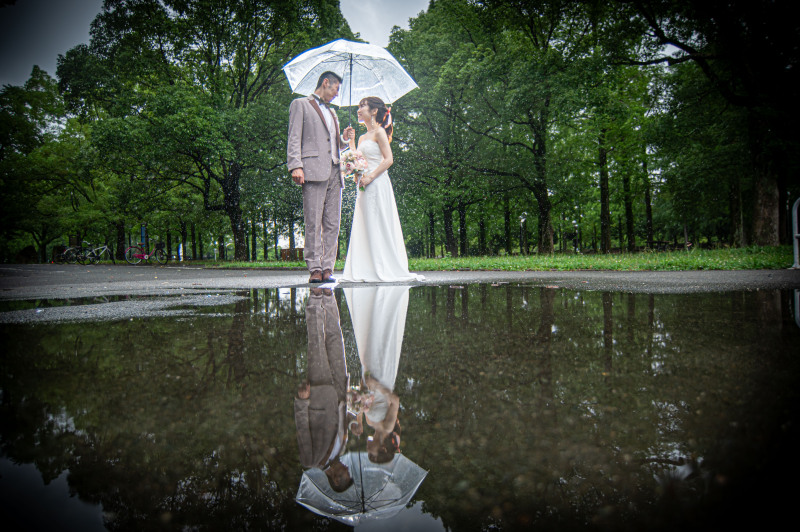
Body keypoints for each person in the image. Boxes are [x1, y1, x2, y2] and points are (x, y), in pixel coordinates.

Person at [340, 97, 424, 282]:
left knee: (379, 223)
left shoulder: (379, 132)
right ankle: (367, 267)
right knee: (366, 223)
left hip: (377, 182)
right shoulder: (361, 137)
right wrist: (351, 143)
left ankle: (383, 266)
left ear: (374, 111)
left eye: (362, 106)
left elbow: (388, 159)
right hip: (364, 185)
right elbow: (358, 159)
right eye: (358, 106)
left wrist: (370, 177)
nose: (358, 110)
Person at [287, 71, 355, 284]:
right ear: (326, 83)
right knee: (313, 221)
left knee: (333, 223)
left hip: (335, 171)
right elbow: (294, 136)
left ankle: (327, 268)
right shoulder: (301, 104)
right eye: (336, 89)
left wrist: (344, 139)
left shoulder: (332, 112)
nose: (337, 94)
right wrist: (295, 165)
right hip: (313, 170)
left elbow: (333, 144)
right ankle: (315, 268)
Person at [294, 288, 353, 492]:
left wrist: (302, 402)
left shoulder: (311, 460)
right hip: (339, 389)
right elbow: (340, 419)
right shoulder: (341, 450)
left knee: (317, 341)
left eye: (345, 474)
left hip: (318, 393)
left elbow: (302, 429)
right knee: (336, 339)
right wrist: (354, 417)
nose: (347, 469)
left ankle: (315, 297)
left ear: (336, 480)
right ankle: (328, 297)